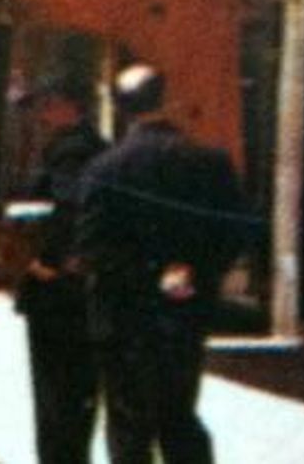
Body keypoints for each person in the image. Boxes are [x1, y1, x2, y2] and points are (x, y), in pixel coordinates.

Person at [76, 63, 246, 464]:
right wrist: (194, 271)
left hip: (124, 314)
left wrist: (152, 275)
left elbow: (93, 246)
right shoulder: (210, 163)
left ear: (119, 108)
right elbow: (237, 231)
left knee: (128, 422)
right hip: (186, 311)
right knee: (179, 414)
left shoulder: (105, 169)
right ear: (167, 100)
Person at [12, 74, 107, 464]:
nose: (42, 114)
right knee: (74, 396)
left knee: (57, 396)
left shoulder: (73, 152)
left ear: (72, 106)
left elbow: (67, 213)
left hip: (58, 293)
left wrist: (44, 262)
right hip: (78, 291)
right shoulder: (88, 147)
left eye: (49, 104)